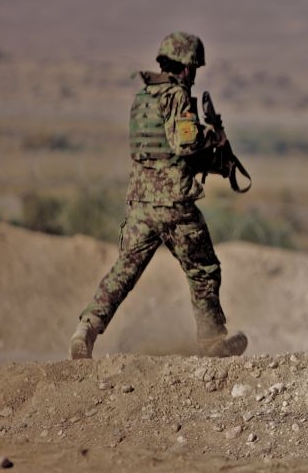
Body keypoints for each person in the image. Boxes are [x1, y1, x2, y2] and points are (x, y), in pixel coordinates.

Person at [69, 32, 247, 359]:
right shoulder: (176, 97)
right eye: (193, 68)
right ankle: (211, 342)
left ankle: (87, 328)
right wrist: (213, 137)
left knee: (124, 272)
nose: (193, 75)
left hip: (140, 203)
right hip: (174, 204)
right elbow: (183, 144)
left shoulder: (143, 98)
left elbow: (160, 152)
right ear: (185, 67)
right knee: (204, 269)